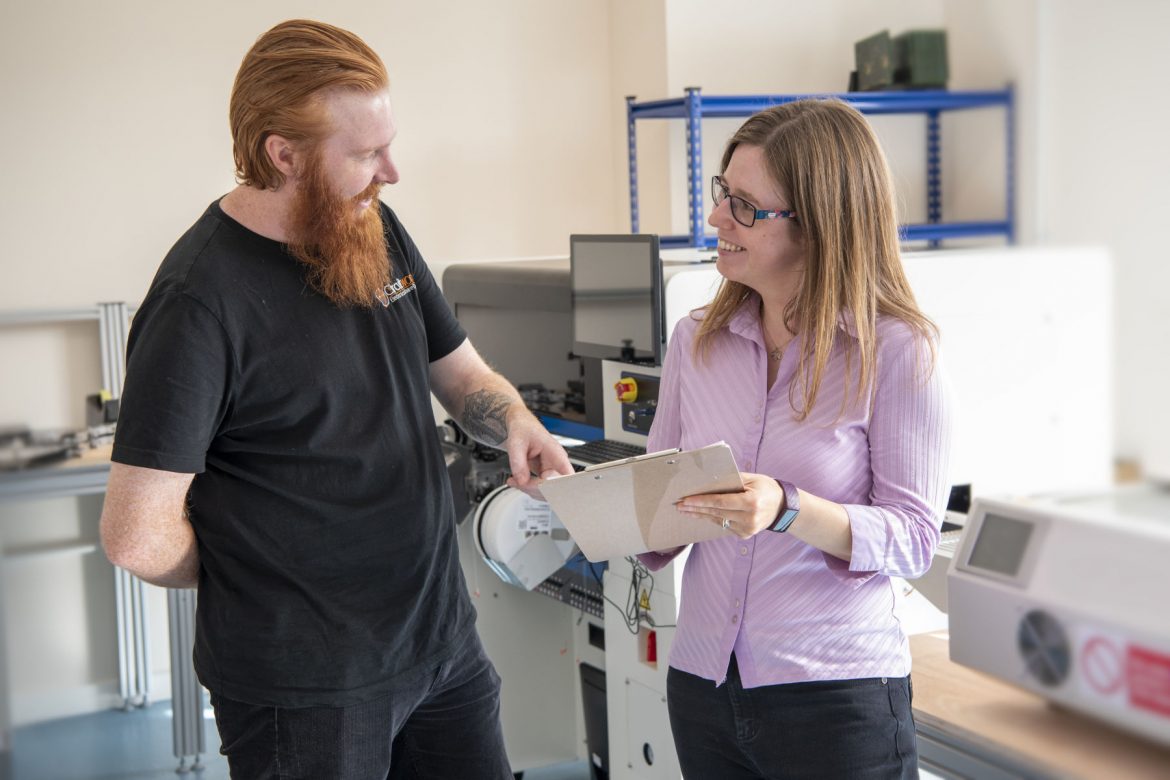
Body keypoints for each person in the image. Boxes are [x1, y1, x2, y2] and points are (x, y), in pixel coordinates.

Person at [98, 19, 571, 779]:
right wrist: (254, 576)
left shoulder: (373, 227)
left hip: (440, 645)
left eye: (388, 144)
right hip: (305, 690)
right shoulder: (200, 303)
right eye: (363, 154)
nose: (392, 170)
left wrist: (513, 418)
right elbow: (135, 536)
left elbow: (461, 375)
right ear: (281, 155)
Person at [639, 99, 954, 779]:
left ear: (818, 227)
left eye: (746, 206)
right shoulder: (696, 340)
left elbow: (914, 539)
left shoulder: (898, 351)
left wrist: (787, 508)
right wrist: (605, 513)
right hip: (702, 686)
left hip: (834, 700)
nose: (718, 219)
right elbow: (656, 496)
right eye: (724, 193)